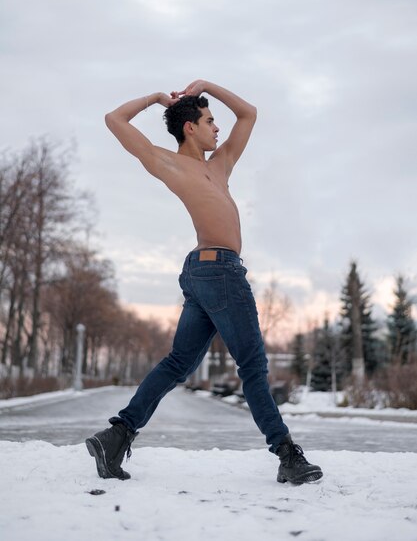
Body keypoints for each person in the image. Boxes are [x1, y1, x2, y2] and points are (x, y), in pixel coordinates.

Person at [85, 80, 323, 485]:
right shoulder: (168, 162)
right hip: (219, 271)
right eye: (210, 121)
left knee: (178, 363)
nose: (218, 128)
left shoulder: (220, 165)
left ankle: (117, 435)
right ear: (190, 128)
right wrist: (156, 99)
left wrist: (208, 85)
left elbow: (249, 114)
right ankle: (287, 455)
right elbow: (114, 119)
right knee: (253, 366)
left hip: (204, 273)